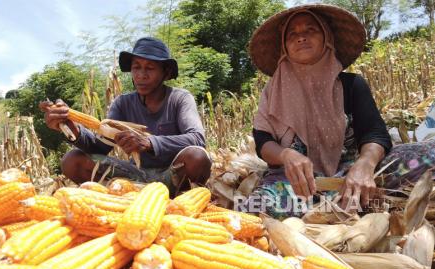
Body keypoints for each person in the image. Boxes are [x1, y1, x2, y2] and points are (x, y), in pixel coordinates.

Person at [245, 4, 435, 218]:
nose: (301, 37)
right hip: (298, 181)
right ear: (285, 47)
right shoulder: (272, 93)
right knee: (255, 209)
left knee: (431, 154)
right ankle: (328, 208)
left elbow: (375, 133)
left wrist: (365, 165)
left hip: (352, 176)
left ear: (327, 38)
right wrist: (287, 155)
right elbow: (262, 141)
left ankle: (352, 199)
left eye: (310, 30)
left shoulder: (352, 85)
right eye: (292, 34)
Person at [42, 37, 212, 197]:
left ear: (166, 73)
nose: (141, 75)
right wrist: (74, 130)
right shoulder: (122, 103)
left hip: (174, 175)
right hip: (135, 175)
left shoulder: (180, 98)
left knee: (197, 158)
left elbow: (197, 139)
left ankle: (176, 198)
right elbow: (101, 146)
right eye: (136, 67)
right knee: (72, 161)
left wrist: (149, 143)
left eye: (150, 68)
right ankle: (121, 196)